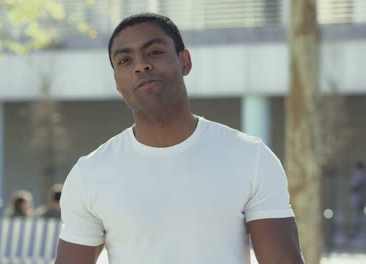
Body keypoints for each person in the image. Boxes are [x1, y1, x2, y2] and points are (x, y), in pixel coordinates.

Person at [55, 13, 304, 264]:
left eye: (154, 52)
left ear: (184, 61)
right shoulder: (89, 174)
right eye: (125, 60)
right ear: (117, 82)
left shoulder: (251, 157)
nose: (140, 65)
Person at [349, 161, 366, 238]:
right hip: (361, 199)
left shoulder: (360, 176)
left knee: (357, 217)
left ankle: (356, 232)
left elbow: (354, 186)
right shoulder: (364, 175)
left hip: (359, 200)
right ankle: (365, 231)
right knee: (361, 217)